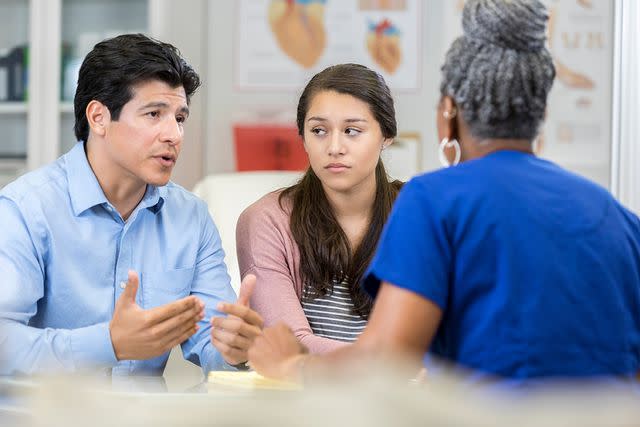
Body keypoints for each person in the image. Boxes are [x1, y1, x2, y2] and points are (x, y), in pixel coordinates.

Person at [247, 0, 640, 384]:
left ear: (447, 114)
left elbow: (386, 360)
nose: (336, 146)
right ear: (541, 115)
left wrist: (294, 366)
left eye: (352, 130)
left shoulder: (432, 201)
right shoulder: (618, 217)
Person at [0, 34, 257, 376]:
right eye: (154, 114)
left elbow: (211, 343)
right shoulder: (25, 209)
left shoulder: (190, 216)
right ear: (99, 117)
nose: (174, 135)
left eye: (179, 118)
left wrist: (234, 351)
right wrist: (108, 344)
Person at [212, 64, 402, 355]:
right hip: (303, 396)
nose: (334, 147)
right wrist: (391, 365)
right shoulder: (267, 221)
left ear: (386, 135)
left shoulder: (420, 214)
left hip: (408, 397)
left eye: (352, 131)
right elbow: (289, 344)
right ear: (302, 137)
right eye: (319, 131)